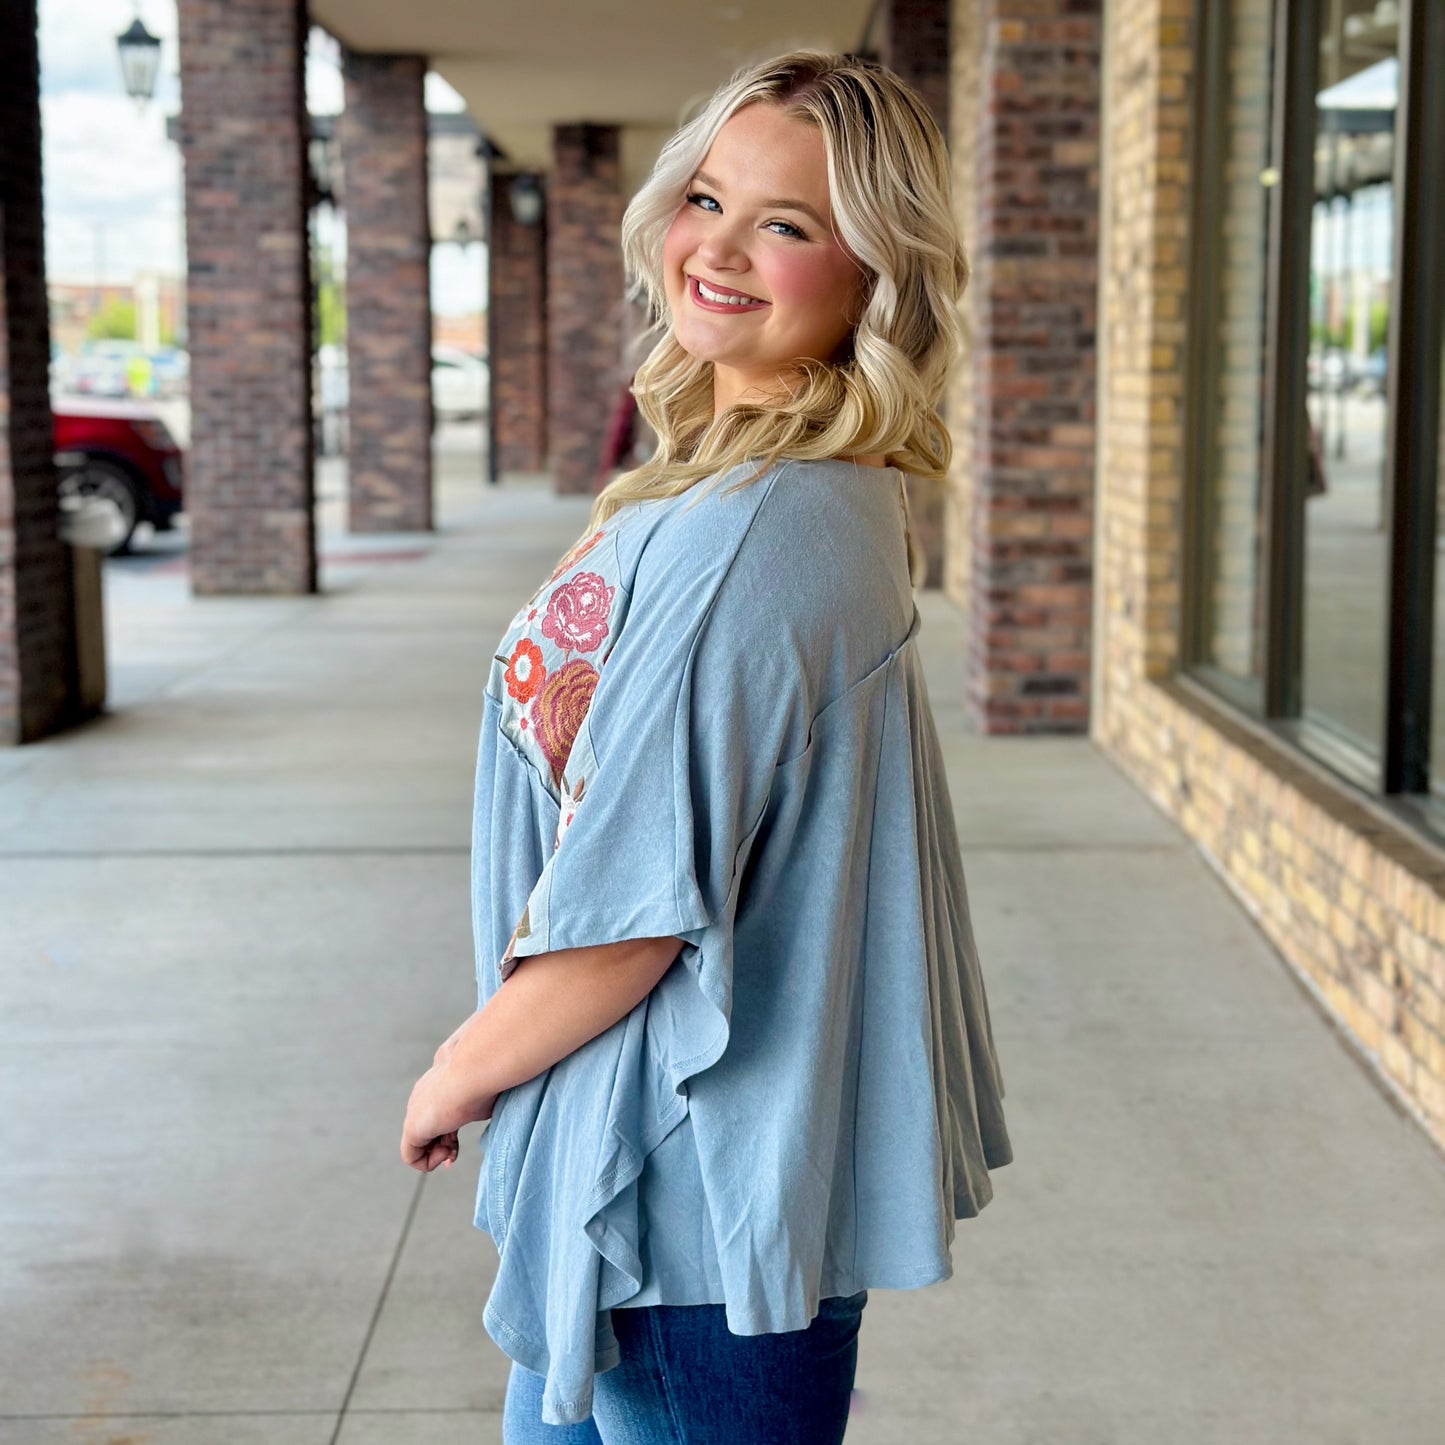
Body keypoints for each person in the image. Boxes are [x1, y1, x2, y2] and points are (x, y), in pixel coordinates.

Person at [400, 49, 1014, 1444]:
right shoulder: (746, 485)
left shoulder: (759, 530)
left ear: (873, 276)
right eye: (706, 197)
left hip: (676, 1185)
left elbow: (632, 915)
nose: (717, 248)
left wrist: (458, 1068)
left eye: (785, 225)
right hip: (647, 1173)